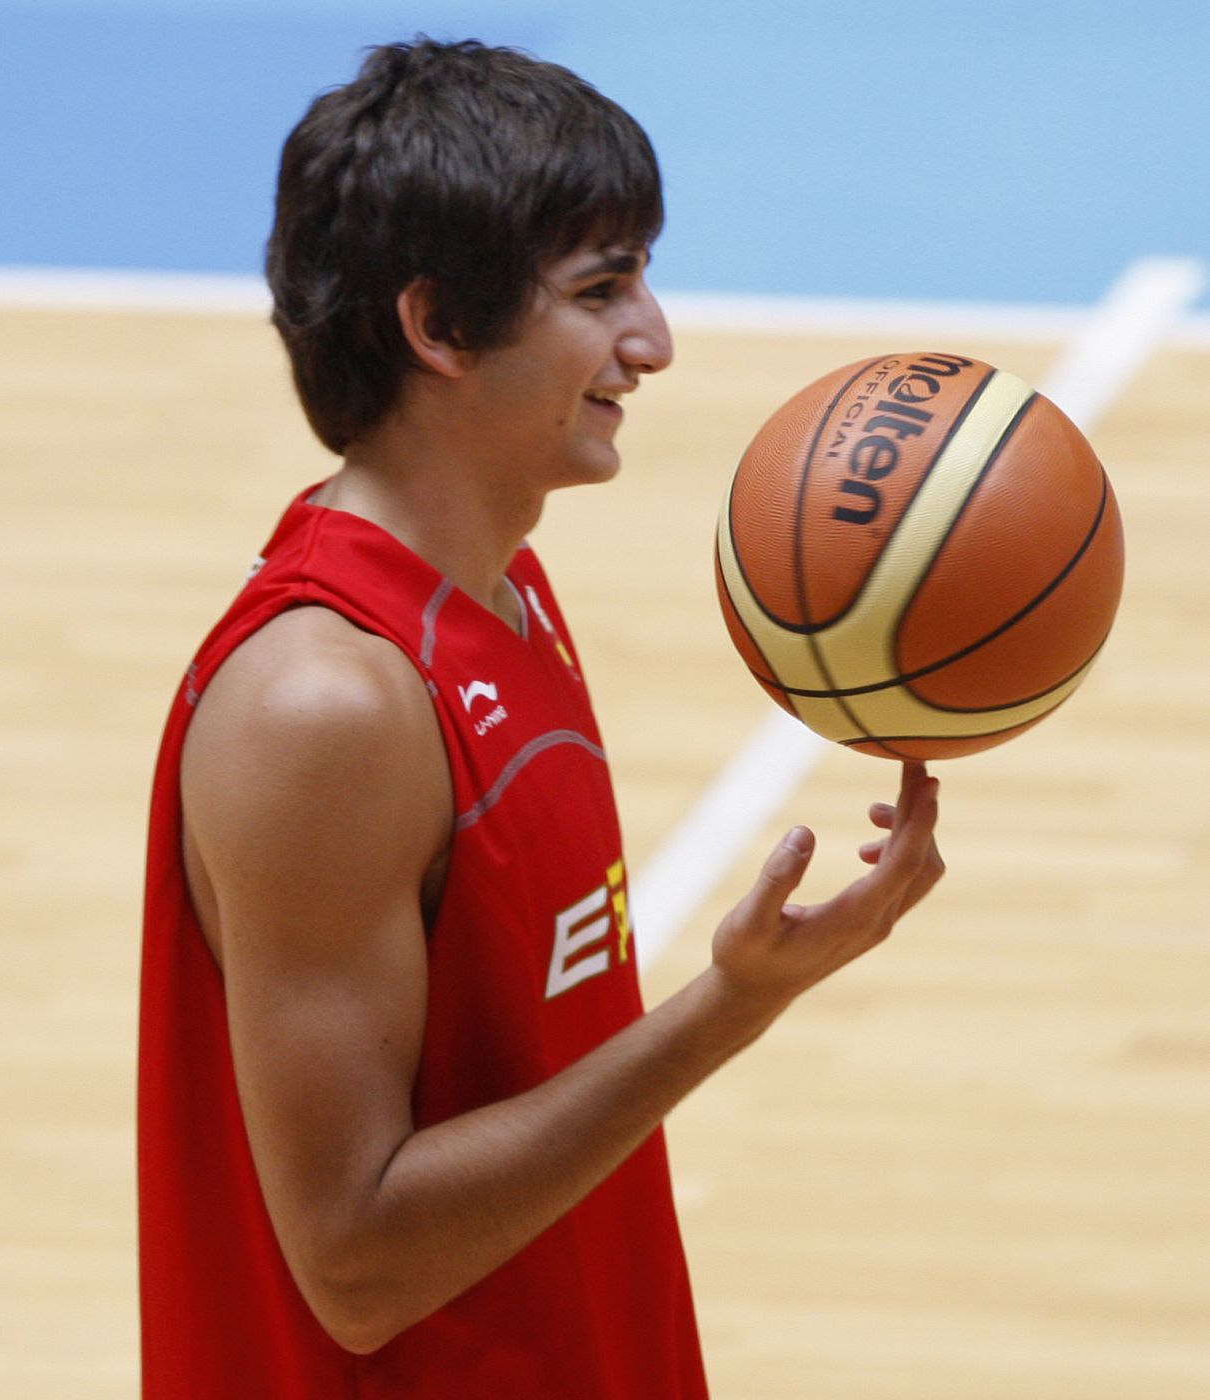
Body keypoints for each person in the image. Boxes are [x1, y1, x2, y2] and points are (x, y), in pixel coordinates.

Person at [137, 37, 944, 1399]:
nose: (657, 340)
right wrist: (733, 1006)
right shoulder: (327, 707)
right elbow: (357, 1266)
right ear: (439, 326)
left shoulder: (505, 595)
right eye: (603, 290)